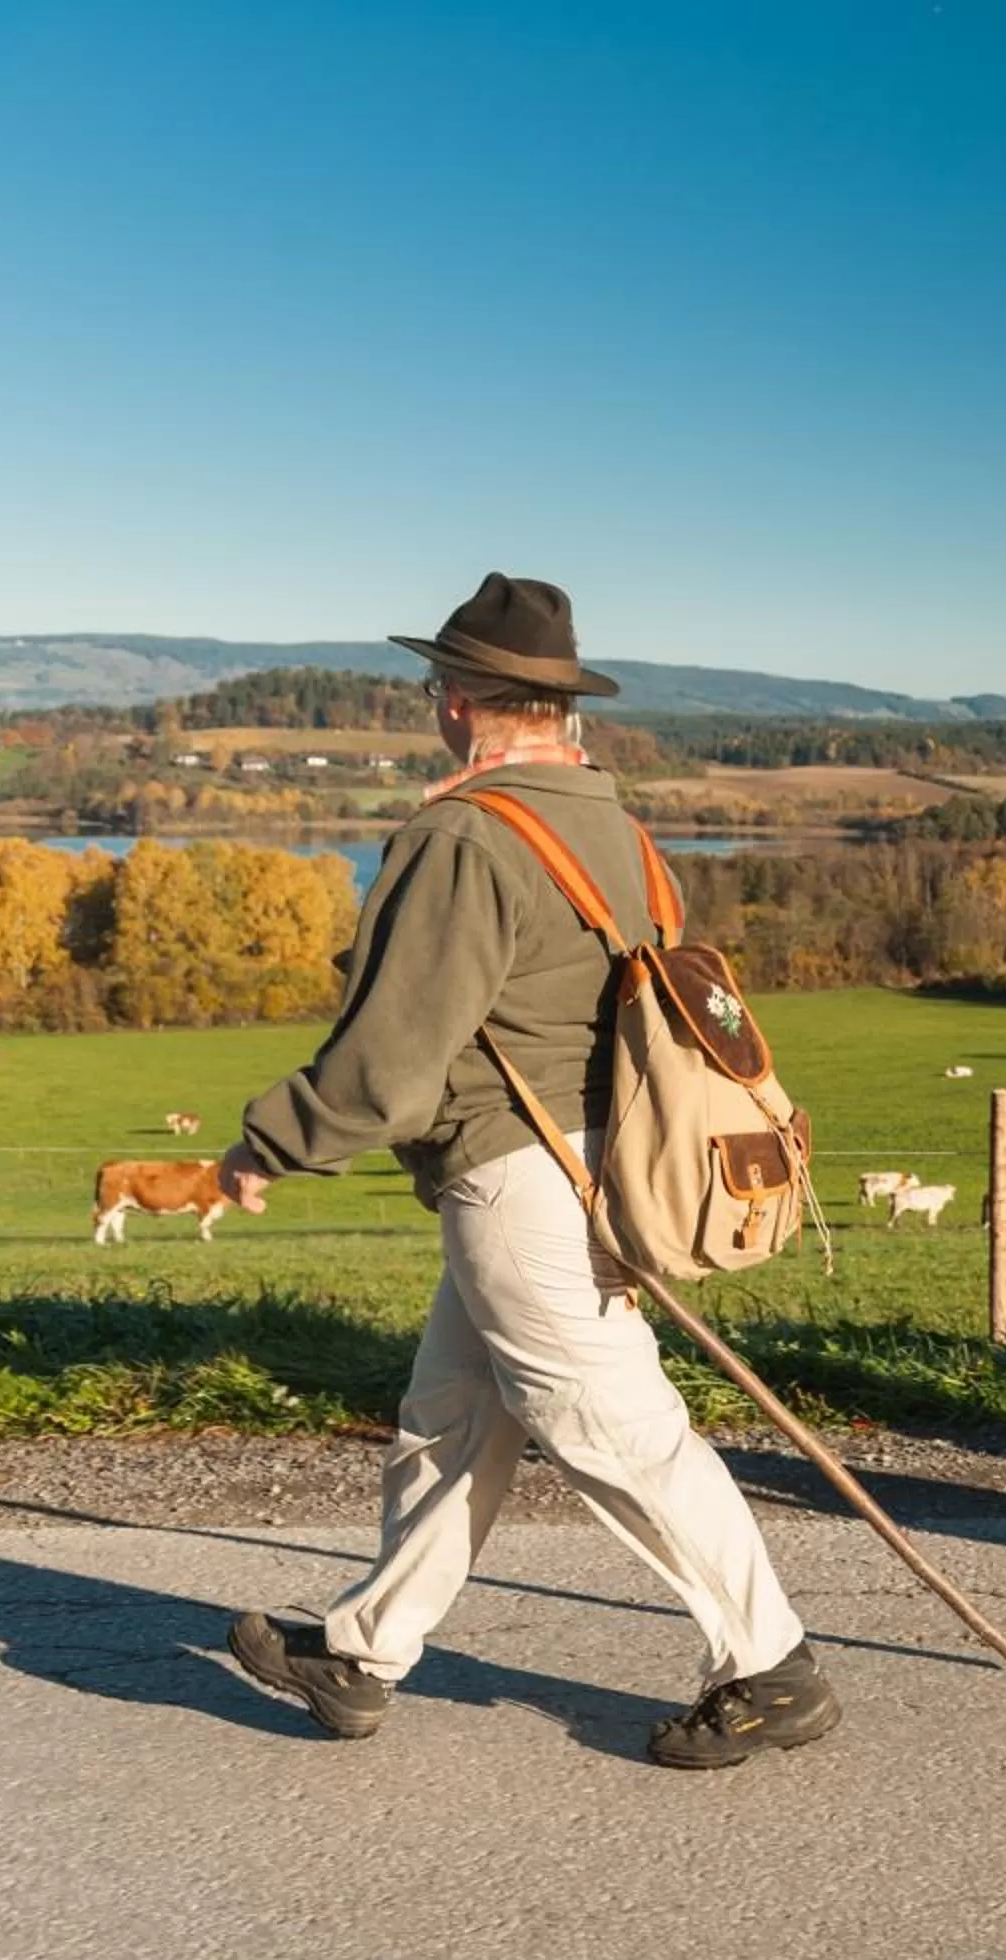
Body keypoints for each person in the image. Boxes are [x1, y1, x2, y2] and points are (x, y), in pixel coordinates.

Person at [215, 572, 838, 1767]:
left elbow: (394, 1054)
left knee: (614, 1426)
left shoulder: (463, 833)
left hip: (521, 1178)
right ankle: (361, 1654)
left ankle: (770, 1664)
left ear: (454, 698)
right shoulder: (615, 823)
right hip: (607, 1159)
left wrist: (274, 1140)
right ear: (557, 704)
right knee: (454, 1420)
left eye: (436, 685)